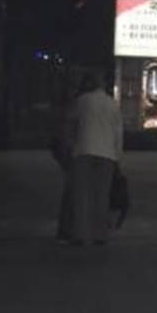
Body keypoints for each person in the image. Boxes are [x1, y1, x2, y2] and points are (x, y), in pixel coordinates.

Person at [59, 70, 125, 246]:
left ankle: (81, 234)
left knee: (82, 195)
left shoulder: (82, 101)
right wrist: (118, 158)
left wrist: (71, 146)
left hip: (83, 151)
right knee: (101, 196)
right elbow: (118, 134)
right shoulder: (113, 104)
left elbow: (70, 125)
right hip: (107, 155)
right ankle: (100, 234)